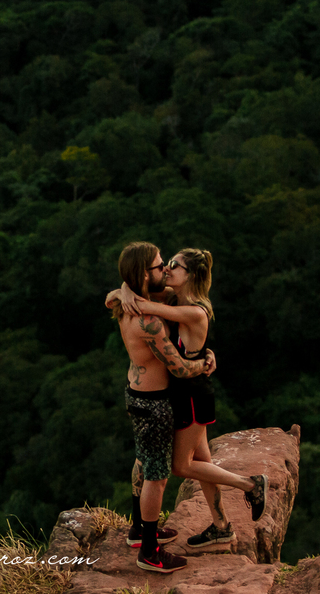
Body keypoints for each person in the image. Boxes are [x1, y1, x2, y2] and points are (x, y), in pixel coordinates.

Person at [110, 248, 267, 550]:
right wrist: (124, 288)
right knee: (203, 461)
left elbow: (147, 308)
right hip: (181, 393)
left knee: (182, 466)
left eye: (174, 266)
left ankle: (250, 485)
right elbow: (125, 298)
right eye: (165, 264)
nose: (167, 269)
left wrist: (127, 291)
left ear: (190, 276)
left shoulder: (193, 310)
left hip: (193, 393)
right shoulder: (174, 297)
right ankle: (222, 527)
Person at [111, 241, 208, 573]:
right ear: (143, 273)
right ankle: (149, 551)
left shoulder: (130, 305)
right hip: (154, 404)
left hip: (135, 394)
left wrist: (123, 290)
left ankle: (139, 529)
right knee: (157, 476)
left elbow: (115, 294)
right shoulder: (148, 320)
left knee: (143, 460)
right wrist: (206, 363)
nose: (163, 269)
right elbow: (178, 367)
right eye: (157, 266)